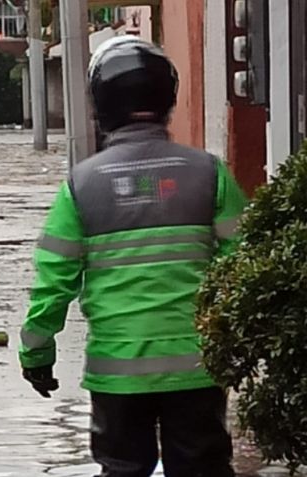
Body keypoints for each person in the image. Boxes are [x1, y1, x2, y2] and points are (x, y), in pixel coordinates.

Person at [18, 36, 247, 476]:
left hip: (117, 373)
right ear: (168, 98)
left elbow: (53, 284)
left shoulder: (80, 186)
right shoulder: (209, 173)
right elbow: (242, 265)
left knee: (122, 469)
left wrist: (36, 354)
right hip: (199, 369)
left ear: (101, 103)